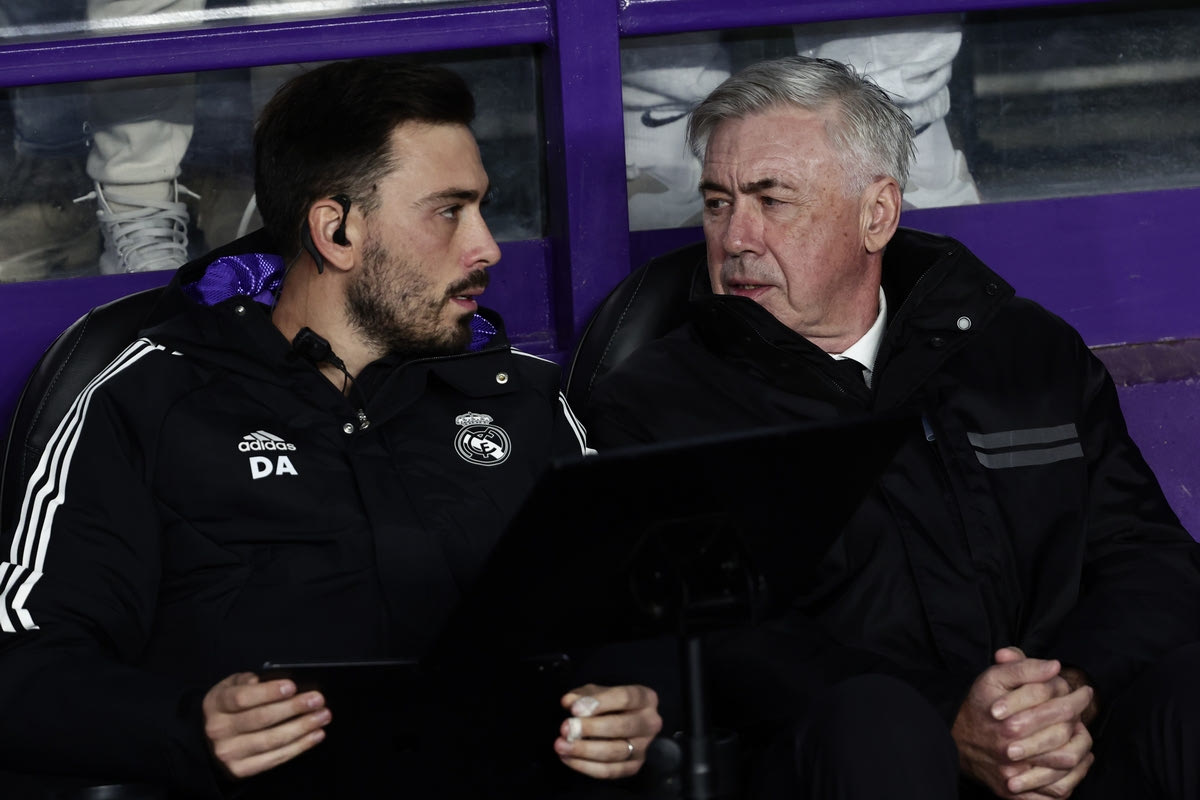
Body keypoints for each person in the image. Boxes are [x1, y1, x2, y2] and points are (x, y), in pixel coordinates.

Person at [0, 58, 661, 798]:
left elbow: (626, 616)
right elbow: (24, 666)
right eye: (448, 211)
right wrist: (188, 726)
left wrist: (629, 703)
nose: (486, 247)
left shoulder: (525, 396)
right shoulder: (148, 400)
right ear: (336, 230)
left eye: (482, 207)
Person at [584, 55, 1199, 799]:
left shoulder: (1024, 352)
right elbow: (723, 640)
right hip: (855, 762)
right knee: (877, 724)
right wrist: (949, 718)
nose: (736, 237)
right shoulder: (660, 403)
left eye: (772, 200)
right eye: (718, 203)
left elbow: (1149, 557)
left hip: (1068, 745)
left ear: (876, 214)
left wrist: (1072, 691)